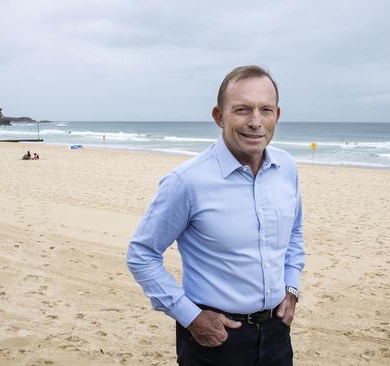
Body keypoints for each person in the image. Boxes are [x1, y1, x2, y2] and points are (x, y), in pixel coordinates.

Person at [127, 65, 305, 365]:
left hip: (277, 334)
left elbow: (295, 234)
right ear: (219, 116)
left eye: (266, 110)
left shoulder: (287, 168)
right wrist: (191, 317)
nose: (256, 122)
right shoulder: (186, 181)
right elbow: (141, 254)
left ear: (277, 115)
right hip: (214, 340)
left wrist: (292, 288)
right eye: (242, 110)